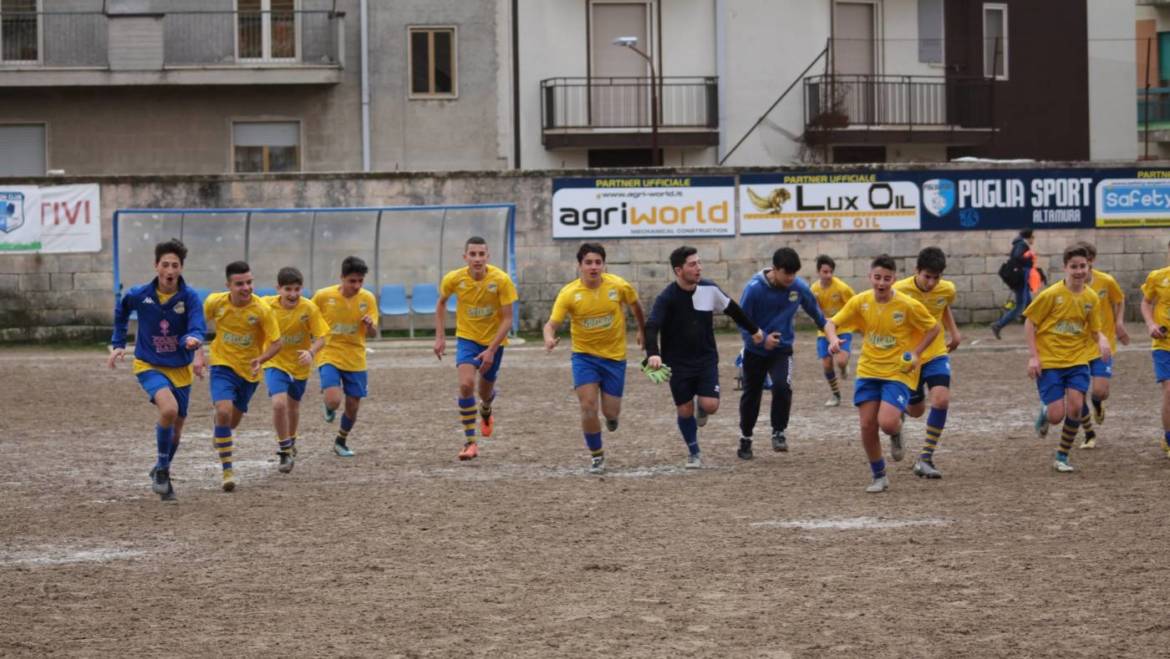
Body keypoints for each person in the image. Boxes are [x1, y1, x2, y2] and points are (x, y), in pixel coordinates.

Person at [822, 254, 940, 493]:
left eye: (887, 278)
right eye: (877, 278)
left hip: (898, 372)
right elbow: (830, 323)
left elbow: (934, 328)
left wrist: (916, 353)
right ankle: (879, 475)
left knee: (885, 423)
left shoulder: (907, 305)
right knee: (867, 425)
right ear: (870, 277)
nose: (881, 283)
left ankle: (896, 431)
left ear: (894, 279)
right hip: (868, 370)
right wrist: (833, 340)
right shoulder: (860, 301)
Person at [643, 246, 764, 468]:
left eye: (699, 263)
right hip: (677, 363)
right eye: (692, 264)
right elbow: (651, 325)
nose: (699, 268)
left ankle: (702, 407)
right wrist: (653, 353)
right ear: (678, 270)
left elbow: (733, 310)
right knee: (684, 409)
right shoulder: (667, 297)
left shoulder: (709, 289)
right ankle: (694, 451)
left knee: (710, 405)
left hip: (705, 358)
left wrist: (754, 330)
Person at [108, 238, 206, 502]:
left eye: (175, 265)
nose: (170, 270)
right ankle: (163, 471)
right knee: (169, 410)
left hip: (180, 368)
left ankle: (161, 468)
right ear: (156, 266)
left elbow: (197, 325)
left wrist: (193, 338)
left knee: (177, 429)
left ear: (181, 268)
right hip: (149, 364)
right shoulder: (140, 294)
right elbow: (122, 310)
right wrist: (118, 343)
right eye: (166, 265)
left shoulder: (190, 297)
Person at [543, 242, 645, 475]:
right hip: (584, 357)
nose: (594, 267)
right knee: (588, 406)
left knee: (610, 412)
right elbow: (551, 324)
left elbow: (636, 305)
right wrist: (549, 338)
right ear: (580, 266)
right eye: (588, 262)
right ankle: (597, 455)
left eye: (598, 262)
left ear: (604, 265)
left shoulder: (619, 286)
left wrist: (642, 330)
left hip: (614, 357)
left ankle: (611, 419)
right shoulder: (569, 293)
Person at [1023, 244, 1110, 474]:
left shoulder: (1091, 297)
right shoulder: (1051, 295)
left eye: (1083, 266)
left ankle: (1062, 455)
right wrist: (1034, 357)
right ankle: (1045, 411)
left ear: (1088, 266)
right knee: (1055, 416)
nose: (1079, 271)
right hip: (1050, 362)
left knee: (1075, 407)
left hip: (1077, 361)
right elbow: (1030, 322)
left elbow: (1094, 329)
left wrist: (1101, 339)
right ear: (1065, 268)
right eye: (1074, 267)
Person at [736, 247, 827, 460]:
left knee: (782, 386)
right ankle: (746, 438)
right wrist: (759, 338)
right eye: (787, 273)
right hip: (755, 351)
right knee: (752, 394)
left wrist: (831, 331)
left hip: (782, 350)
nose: (791, 278)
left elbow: (817, 314)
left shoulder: (798, 287)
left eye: (794, 273)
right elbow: (741, 321)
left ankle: (778, 431)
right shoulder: (754, 289)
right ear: (775, 269)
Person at [435, 236, 517, 461]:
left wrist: (491, 349)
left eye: (482, 254)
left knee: (484, 393)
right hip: (467, 339)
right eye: (473, 254)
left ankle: (487, 409)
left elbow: (508, 319)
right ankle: (470, 442)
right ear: (465, 257)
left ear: (488, 257)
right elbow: (441, 303)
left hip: (494, 342)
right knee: (465, 384)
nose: (477, 259)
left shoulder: (501, 280)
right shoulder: (454, 279)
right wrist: (440, 337)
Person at [203, 261, 282, 492]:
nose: (246, 288)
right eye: (240, 284)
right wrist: (198, 354)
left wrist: (262, 359)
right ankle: (227, 470)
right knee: (224, 410)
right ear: (228, 285)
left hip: (249, 373)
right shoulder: (214, 302)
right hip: (222, 365)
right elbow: (196, 326)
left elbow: (277, 342)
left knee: (231, 421)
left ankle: (220, 427)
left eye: (249, 282)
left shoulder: (262, 310)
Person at [893, 247, 960, 479]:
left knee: (941, 400)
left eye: (936, 277)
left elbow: (942, 306)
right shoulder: (899, 290)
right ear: (916, 271)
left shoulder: (947, 289)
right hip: (909, 357)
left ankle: (925, 458)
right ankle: (898, 418)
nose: (931, 282)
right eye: (927, 276)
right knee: (917, 410)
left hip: (936, 352)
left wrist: (955, 332)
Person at [262, 267, 329, 473]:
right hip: (275, 362)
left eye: (297, 289)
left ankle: (291, 440)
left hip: (299, 365)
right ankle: (284, 450)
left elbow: (322, 336)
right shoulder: (265, 305)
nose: (292, 294)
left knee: (293, 407)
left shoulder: (309, 308)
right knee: (279, 404)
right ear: (278, 289)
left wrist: (310, 352)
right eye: (288, 289)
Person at [312, 256, 380, 458]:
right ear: (342, 278)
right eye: (352, 281)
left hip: (355, 357)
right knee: (334, 401)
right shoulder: (323, 296)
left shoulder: (367, 299)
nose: (357, 285)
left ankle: (340, 441)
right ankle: (328, 404)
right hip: (329, 352)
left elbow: (374, 333)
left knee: (353, 405)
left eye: (360, 281)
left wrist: (370, 326)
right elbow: (307, 315)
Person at [1070, 241, 1127, 449]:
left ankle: (1097, 404)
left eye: (1086, 262)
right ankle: (1089, 433)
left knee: (1100, 391)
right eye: (1075, 265)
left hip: (1104, 343)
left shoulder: (1106, 281)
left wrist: (1119, 323)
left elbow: (1120, 300)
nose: (1082, 268)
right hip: (1079, 346)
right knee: (1078, 392)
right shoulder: (1070, 285)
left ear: (1091, 261)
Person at [810, 254, 856, 407]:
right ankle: (836, 395)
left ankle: (843, 367)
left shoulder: (842, 288)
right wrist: (821, 322)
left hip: (843, 329)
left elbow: (854, 305)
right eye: (825, 272)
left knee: (841, 361)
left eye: (831, 272)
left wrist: (842, 320)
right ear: (818, 272)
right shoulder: (814, 289)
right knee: (827, 364)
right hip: (824, 331)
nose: (828, 275)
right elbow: (814, 309)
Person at [1139, 238, 1170, 460]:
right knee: (1169, 391)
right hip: (1164, 345)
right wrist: (1150, 324)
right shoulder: (1158, 277)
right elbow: (1146, 302)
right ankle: (1169, 438)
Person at [991, 229, 1036, 339]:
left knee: (1030, 305)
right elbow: (1017, 258)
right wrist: (1028, 256)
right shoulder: (1021, 245)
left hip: (1022, 279)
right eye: (1033, 237)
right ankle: (998, 325)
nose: (1033, 239)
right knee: (1020, 307)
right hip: (1020, 279)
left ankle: (1034, 328)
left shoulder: (1020, 244)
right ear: (1029, 237)